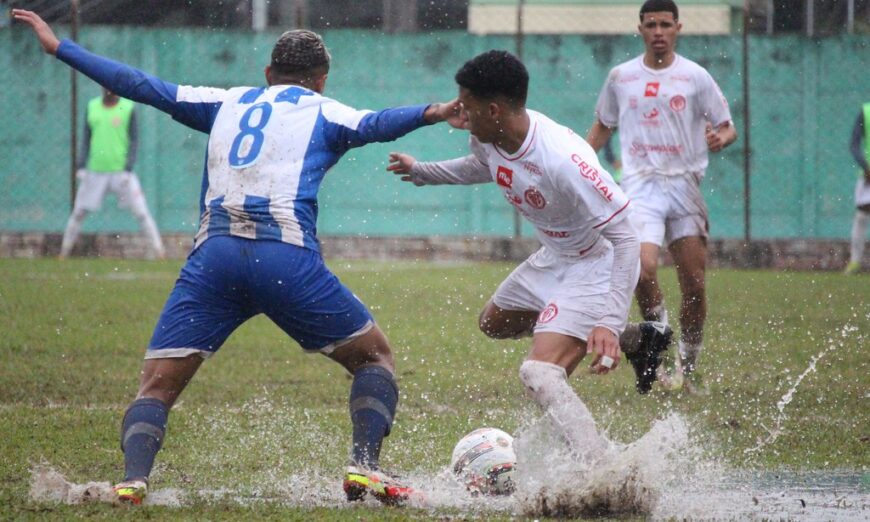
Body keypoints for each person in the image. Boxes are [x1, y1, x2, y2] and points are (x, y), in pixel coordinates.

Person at [14, 9, 463, 506]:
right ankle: (365, 467)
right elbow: (377, 124)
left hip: (215, 260)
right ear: (320, 80)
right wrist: (435, 111)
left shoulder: (225, 102)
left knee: (156, 387)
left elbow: (139, 84)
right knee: (374, 357)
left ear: (268, 74)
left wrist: (61, 48)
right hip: (285, 261)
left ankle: (132, 480)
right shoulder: (325, 110)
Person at [387, 50, 673, 467]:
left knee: (539, 374)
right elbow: (483, 165)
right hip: (557, 254)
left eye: (466, 104)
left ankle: (605, 467)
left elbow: (627, 239)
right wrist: (423, 171)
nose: (460, 112)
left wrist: (608, 323)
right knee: (494, 322)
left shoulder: (563, 160)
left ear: (494, 109)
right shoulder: (489, 135)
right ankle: (640, 338)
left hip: (598, 260)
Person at [585, 0, 737, 393]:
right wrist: (579, 163)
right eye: (650, 24)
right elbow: (603, 125)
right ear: (639, 29)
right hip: (639, 185)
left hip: (684, 185)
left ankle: (690, 364)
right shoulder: (621, 77)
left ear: (677, 28)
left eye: (664, 25)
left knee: (694, 284)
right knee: (642, 267)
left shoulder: (695, 77)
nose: (657, 32)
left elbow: (727, 126)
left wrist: (721, 137)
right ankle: (660, 344)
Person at [60, 87, 165, 259]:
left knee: (141, 212)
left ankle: (159, 251)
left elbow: (134, 140)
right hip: (95, 170)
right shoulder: (92, 106)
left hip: (122, 173)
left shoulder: (128, 107)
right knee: (78, 213)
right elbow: (86, 138)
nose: (110, 89)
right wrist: (81, 166)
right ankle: (64, 252)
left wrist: (128, 167)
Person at [844, 103, 870, 275]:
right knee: (861, 216)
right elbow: (854, 145)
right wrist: (866, 166)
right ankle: (855, 261)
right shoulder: (866, 111)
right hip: (868, 173)